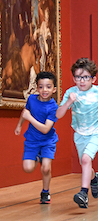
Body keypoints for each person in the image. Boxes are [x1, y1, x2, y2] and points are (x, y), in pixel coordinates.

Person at [56, 58, 98, 208]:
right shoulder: (70, 93)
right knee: (85, 163)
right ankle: (94, 179)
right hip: (79, 134)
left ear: (93, 79)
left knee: (85, 159)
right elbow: (58, 115)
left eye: (85, 77)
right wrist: (68, 103)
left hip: (97, 132)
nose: (82, 81)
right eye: (78, 77)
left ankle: (83, 194)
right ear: (74, 78)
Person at [14, 71, 59, 204]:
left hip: (47, 141)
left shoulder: (54, 108)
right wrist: (19, 126)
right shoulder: (32, 99)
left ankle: (45, 192)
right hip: (32, 140)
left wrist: (29, 118)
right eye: (41, 86)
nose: (44, 90)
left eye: (48, 86)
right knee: (27, 168)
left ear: (54, 89)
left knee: (46, 168)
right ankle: (38, 157)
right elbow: (25, 113)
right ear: (37, 87)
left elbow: (46, 129)